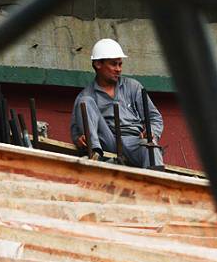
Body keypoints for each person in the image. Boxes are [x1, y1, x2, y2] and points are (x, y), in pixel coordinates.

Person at [70, 38, 163, 167]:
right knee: (85, 102)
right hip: (108, 142)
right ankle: (95, 154)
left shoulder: (133, 86)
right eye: (114, 64)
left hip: (135, 142)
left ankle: (156, 183)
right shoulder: (87, 95)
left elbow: (154, 117)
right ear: (98, 64)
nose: (118, 69)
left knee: (151, 147)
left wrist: (152, 132)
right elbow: (76, 132)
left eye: (120, 64)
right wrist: (79, 140)